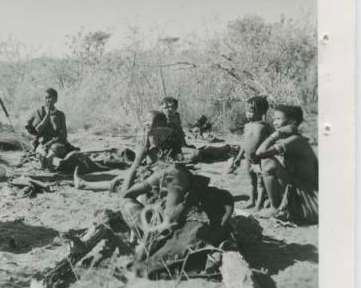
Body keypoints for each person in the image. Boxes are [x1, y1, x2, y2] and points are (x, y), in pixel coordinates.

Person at [119, 127, 234, 276]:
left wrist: (137, 160)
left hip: (173, 227)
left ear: (160, 152)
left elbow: (125, 194)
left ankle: (145, 244)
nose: (147, 151)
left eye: (150, 148)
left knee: (127, 204)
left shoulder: (169, 173)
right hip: (179, 218)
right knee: (147, 198)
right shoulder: (172, 168)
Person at [255, 105, 318, 223]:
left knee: (267, 162)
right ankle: (277, 204)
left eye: (279, 119)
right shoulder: (292, 138)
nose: (274, 122)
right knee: (268, 162)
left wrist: (276, 134)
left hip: (307, 199)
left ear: (292, 121)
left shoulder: (294, 140)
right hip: (300, 190)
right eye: (274, 119)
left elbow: (260, 152)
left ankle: (275, 208)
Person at [228, 96, 273, 209]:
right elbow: (244, 142)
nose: (248, 113)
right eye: (247, 111)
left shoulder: (265, 127)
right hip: (248, 158)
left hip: (260, 159)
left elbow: (272, 141)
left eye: (251, 111)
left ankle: (259, 202)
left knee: (260, 182)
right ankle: (251, 200)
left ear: (262, 112)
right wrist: (238, 157)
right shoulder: (247, 126)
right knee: (251, 181)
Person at [25, 88, 76, 168]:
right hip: (42, 143)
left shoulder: (60, 115)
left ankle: (49, 160)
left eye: (51, 97)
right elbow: (35, 131)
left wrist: (51, 142)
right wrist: (47, 116)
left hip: (56, 143)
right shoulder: (38, 112)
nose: (48, 100)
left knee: (55, 150)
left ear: (56, 99)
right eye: (46, 98)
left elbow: (63, 135)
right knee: (42, 152)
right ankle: (46, 160)